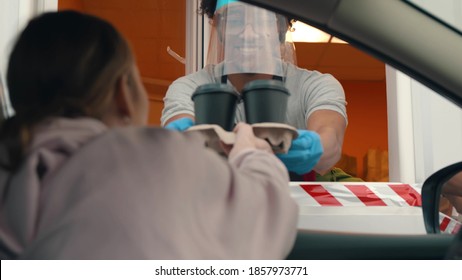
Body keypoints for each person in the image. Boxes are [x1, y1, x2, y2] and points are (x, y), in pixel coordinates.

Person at [0, 11, 298, 259]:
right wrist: (253, 153)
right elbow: (263, 221)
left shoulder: (12, 161)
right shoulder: (148, 156)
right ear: (123, 92)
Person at [161, 0, 348, 180]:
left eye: (263, 19)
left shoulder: (314, 86)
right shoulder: (191, 88)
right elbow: (179, 146)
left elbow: (330, 144)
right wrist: (183, 141)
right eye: (235, 20)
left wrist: (301, 148)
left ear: (282, 27)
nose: (248, 34)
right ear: (218, 26)